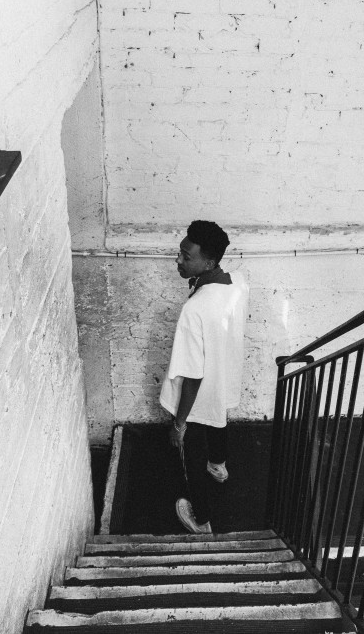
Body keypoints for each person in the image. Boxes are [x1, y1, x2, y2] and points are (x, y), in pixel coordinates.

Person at [159, 220, 249, 534]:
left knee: (190, 453)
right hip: (223, 378)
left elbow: (192, 376)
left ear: (207, 262)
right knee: (219, 417)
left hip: (196, 396)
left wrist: (179, 423)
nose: (179, 260)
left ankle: (201, 520)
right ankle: (220, 467)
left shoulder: (195, 309)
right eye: (180, 253)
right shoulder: (237, 282)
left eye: (186, 256)